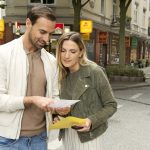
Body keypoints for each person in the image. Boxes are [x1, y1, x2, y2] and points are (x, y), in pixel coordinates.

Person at [0, 5, 62, 150]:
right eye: (42, 32)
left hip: (40, 140)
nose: (47, 39)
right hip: (7, 141)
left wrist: (58, 109)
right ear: (28, 23)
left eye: (50, 34)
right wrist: (32, 100)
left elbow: (54, 96)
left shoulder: (51, 61)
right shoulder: (3, 54)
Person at [56, 31, 117, 150]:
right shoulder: (61, 73)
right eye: (63, 50)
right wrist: (58, 113)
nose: (66, 56)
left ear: (81, 52)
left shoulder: (94, 71)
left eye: (72, 51)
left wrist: (91, 121)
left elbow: (111, 105)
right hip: (67, 134)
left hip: (89, 136)